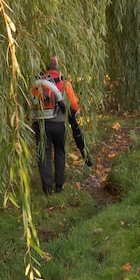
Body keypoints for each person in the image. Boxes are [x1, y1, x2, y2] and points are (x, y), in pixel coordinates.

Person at [32, 56, 91, 195]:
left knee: (43, 155)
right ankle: (59, 186)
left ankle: (47, 189)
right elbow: (74, 107)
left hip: (41, 125)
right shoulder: (64, 83)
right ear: (57, 67)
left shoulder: (36, 84)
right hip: (59, 124)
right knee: (59, 151)